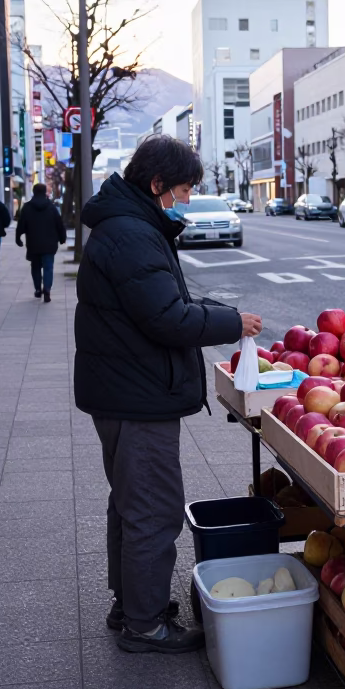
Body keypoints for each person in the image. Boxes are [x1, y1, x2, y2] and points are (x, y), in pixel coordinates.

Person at [74, 135, 263, 655]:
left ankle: (130, 604)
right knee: (153, 509)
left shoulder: (129, 225)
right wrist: (229, 322)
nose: (183, 201)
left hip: (123, 388)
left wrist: (220, 311)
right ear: (156, 184)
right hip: (137, 395)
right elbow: (166, 317)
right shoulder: (133, 234)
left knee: (131, 504)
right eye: (181, 190)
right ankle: (146, 623)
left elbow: (163, 297)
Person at [15, 184, 67, 302]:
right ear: (45, 192)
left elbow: (21, 224)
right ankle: (47, 289)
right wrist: (62, 238)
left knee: (36, 267)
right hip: (50, 243)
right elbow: (59, 224)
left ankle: (38, 289)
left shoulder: (27, 207)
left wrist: (18, 238)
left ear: (33, 192)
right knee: (48, 267)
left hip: (33, 243)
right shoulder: (51, 207)